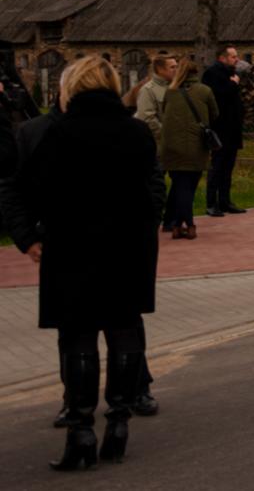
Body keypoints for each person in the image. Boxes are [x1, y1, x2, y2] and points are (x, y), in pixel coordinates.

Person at [18, 56, 166, 470]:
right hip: (128, 246)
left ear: (72, 87)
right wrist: (148, 222)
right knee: (123, 329)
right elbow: (152, 182)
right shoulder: (136, 132)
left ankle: (81, 430)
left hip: (70, 246)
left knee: (79, 335)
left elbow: (32, 189)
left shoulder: (55, 134)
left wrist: (32, 234)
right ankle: (118, 423)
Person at [159, 59, 217, 240]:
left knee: (179, 185)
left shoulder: (170, 92)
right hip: (196, 145)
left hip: (171, 146)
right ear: (195, 72)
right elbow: (215, 114)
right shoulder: (205, 91)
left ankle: (177, 225)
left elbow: (163, 113)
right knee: (188, 187)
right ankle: (189, 224)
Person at [202, 46, 247, 217]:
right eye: (233, 57)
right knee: (218, 165)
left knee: (228, 166)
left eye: (236, 56)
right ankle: (211, 202)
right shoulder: (213, 74)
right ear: (222, 58)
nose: (236, 59)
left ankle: (225, 200)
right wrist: (233, 84)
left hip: (232, 128)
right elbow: (218, 97)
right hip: (220, 128)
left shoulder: (230, 72)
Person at [132, 55, 177, 141]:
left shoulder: (176, 87)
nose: (176, 70)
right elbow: (147, 118)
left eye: (176, 67)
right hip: (160, 142)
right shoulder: (148, 90)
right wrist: (167, 134)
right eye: (172, 67)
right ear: (160, 70)